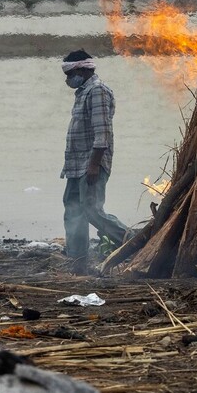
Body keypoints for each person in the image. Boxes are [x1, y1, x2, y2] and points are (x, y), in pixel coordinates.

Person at [60, 49, 129, 272]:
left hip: (91, 165)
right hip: (75, 165)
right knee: (73, 211)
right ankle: (77, 261)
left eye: (70, 73)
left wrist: (93, 165)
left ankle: (133, 242)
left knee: (92, 211)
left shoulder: (98, 91)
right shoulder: (83, 92)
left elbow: (103, 134)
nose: (68, 79)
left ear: (82, 69)